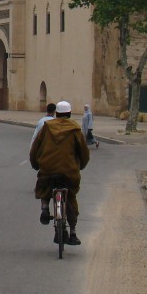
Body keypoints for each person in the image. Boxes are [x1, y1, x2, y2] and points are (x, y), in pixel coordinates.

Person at [30, 100, 90, 246]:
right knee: (71, 197)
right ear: (69, 114)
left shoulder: (46, 127)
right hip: (69, 172)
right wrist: (80, 166)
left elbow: (35, 148)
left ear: (56, 114)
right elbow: (84, 152)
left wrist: (35, 164)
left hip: (48, 170)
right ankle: (73, 232)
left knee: (43, 185)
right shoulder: (75, 130)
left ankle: (45, 208)